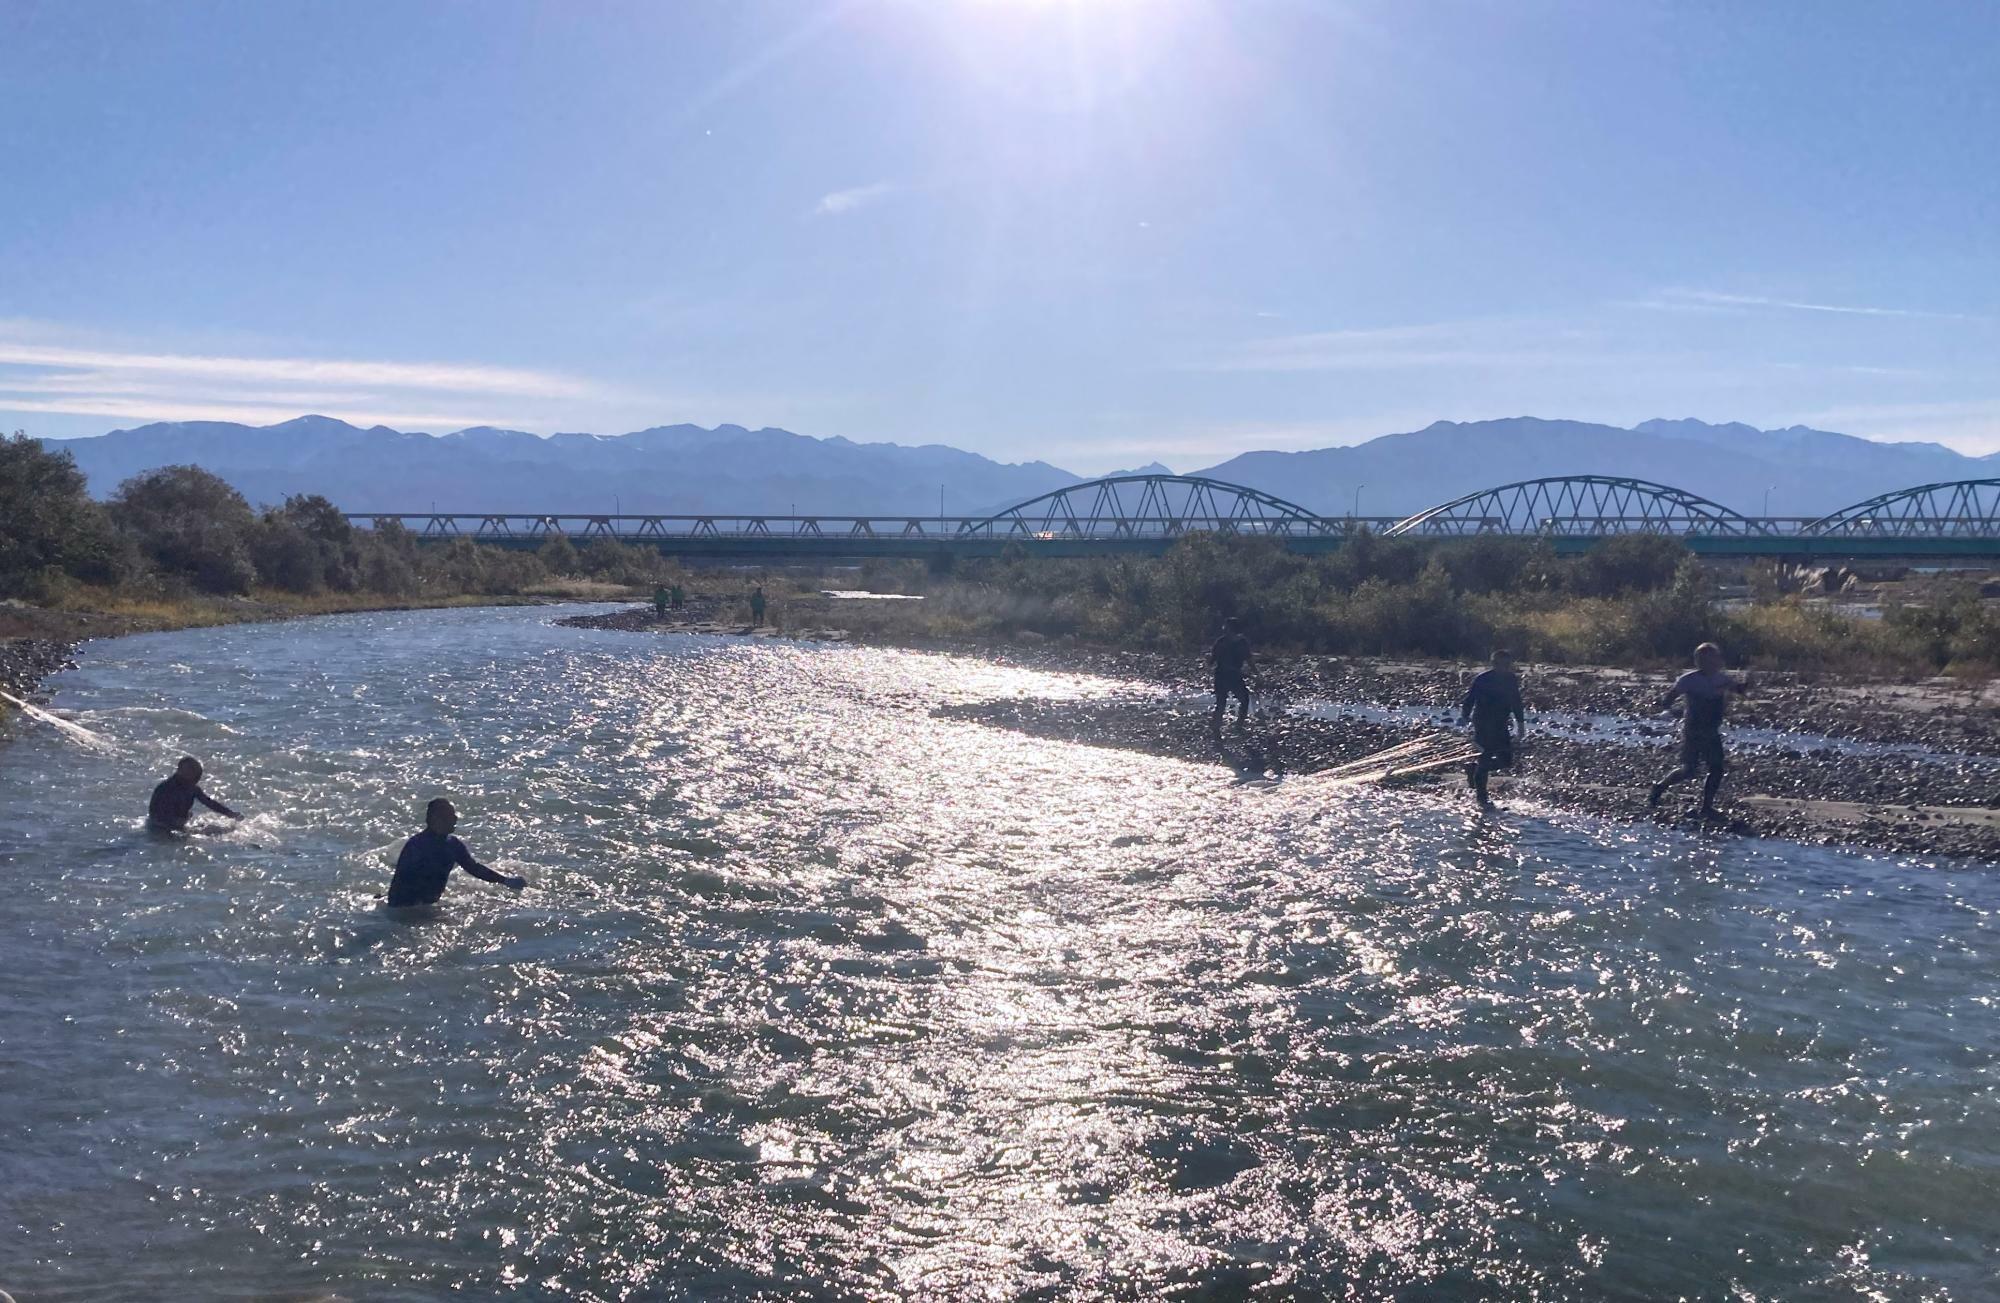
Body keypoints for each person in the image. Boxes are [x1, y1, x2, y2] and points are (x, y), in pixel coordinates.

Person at [1649, 641, 1750, 817]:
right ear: (1697, 661)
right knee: (1689, 769)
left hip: (1711, 730)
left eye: (1713, 659)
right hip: (1693, 730)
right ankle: (1660, 786)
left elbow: (1739, 690)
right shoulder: (1688, 680)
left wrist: (1747, 682)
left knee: (1716, 768)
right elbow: (1668, 699)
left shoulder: (1722, 679)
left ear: (1718, 660)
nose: (1709, 663)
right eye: (1704, 660)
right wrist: (1670, 711)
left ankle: (1706, 807)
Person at [385, 798, 526, 907]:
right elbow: (402, 882)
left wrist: (505, 881)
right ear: (435, 820)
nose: (455, 819)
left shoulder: (452, 844)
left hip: (427, 905)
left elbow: (474, 868)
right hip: (405, 908)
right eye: (449, 816)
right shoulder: (417, 846)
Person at [1460, 649, 1526, 804]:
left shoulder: (1510, 679)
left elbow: (1516, 702)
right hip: (1482, 723)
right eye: (1501, 664)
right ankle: (1482, 799)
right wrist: (1465, 718)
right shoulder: (1483, 679)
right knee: (1486, 756)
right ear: (1494, 664)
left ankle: (1472, 769)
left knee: (1506, 760)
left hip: (1501, 723)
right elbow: (1470, 700)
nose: (1505, 667)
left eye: (1507, 664)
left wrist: (1521, 726)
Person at [147, 756, 241, 831]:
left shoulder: (192, 788)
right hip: (160, 827)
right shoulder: (164, 788)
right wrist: (178, 823)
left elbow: (209, 803)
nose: (195, 779)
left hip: (179, 824)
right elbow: (157, 814)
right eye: (191, 774)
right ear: (180, 772)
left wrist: (230, 813)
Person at [1210, 616, 1252, 739]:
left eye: (1226, 627)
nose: (1225, 629)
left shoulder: (1221, 641)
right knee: (1242, 700)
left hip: (1225, 676)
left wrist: (1208, 662)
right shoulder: (1240, 642)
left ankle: (1218, 729)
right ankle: (1236, 726)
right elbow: (1249, 660)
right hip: (1230, 676)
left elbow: (1212, 660)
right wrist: (1256, 674)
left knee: (1223, 702)